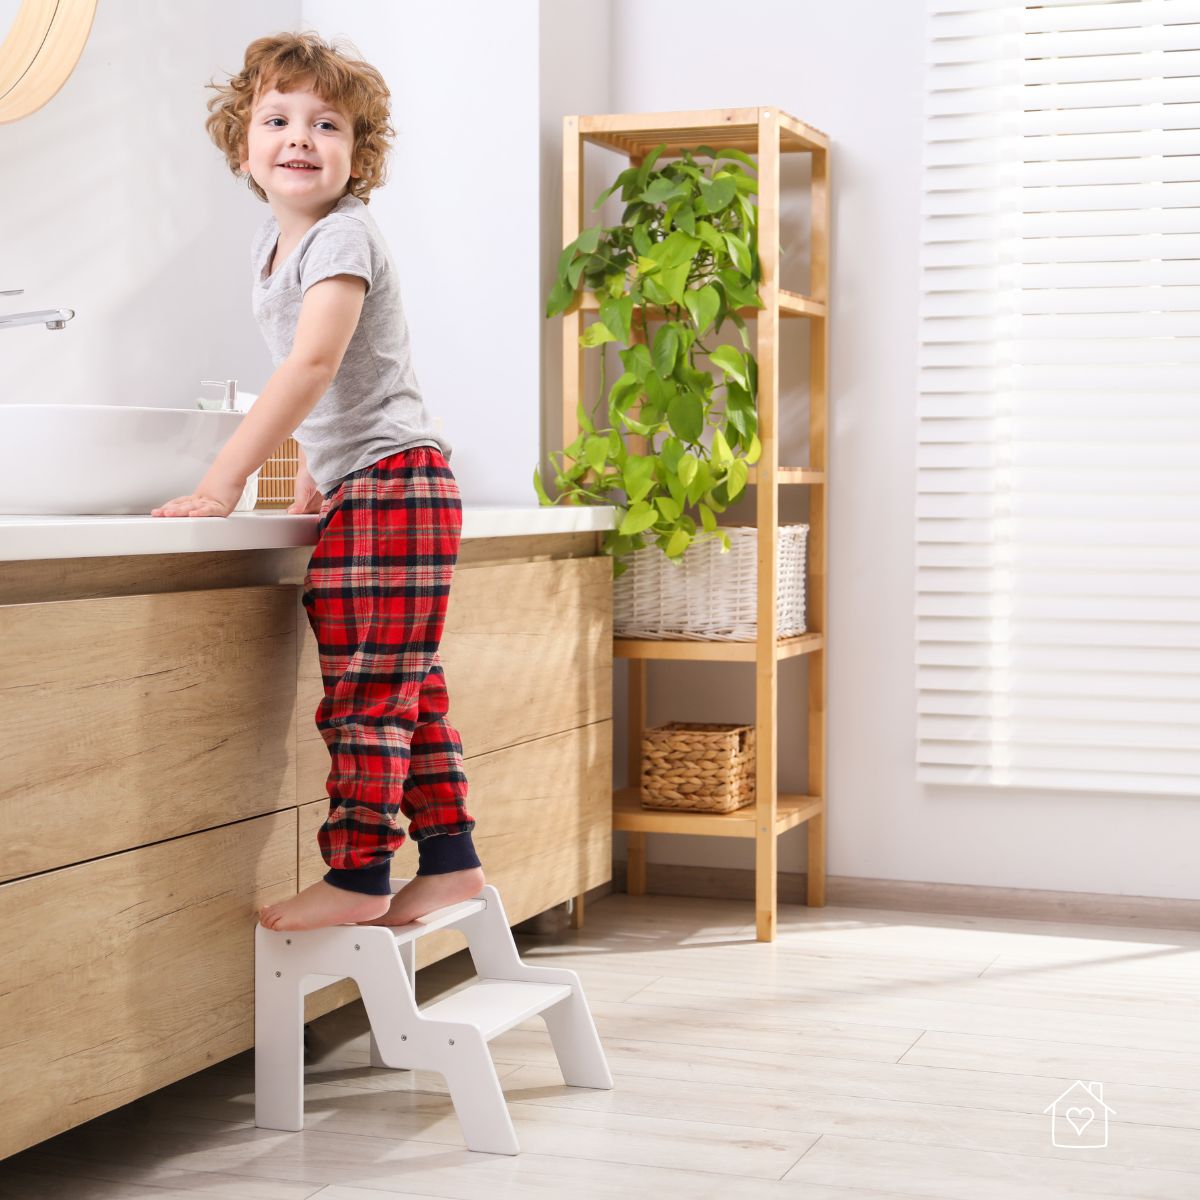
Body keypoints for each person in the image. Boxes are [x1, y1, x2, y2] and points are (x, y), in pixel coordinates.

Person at [151, 31, 484, 932]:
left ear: (357, 153)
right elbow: (346, 388)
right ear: (243, 144)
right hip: (372, 482)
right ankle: (450, 861)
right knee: (405, 687)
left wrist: (225, 484)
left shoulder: (340, 235)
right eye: (277, 118)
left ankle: (360, 874)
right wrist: (319, 475)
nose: (300, 137)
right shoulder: (278, 239)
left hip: (394, 487)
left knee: (368, 694)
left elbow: (311, 366)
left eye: (326, 123)